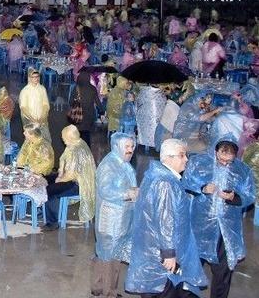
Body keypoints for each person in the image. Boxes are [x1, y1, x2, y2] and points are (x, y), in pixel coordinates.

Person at [126, 138, 208, 297]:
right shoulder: (166, 183)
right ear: (169, 158)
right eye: (182, 155)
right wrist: (169, 253)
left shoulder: (157, 174)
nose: (186, 159)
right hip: (161, 249)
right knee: (163, 288)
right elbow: (165, 221)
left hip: (154, 245)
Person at [182, 136, 255, 298]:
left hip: (226, 230)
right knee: (193, 267)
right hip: (199, 226)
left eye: (229, 161)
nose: (224, 163)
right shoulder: (199, 163)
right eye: (221, 159)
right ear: (215, 151)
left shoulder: (242, 170)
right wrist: (202, 188)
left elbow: (249, 196)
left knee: (223, 271)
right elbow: (185, 183)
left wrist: (233, 198)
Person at [92, 132, 138, 298]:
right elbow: (106, 190)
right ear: (117, 146)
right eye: (127, 147)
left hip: (121, 217)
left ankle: (97, 287)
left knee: (106, 253)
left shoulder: (124, 164)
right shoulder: (109, 165)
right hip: (110, 217)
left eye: (132, 146)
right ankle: (109, 293)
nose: (130, 150)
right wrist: (128, 193)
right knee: (110, 256)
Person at [43, 125, 96, 230]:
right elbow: (63, 160)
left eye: (64, 137)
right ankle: (45, 209)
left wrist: (60, 179)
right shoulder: (76, 143)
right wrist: (60, 174)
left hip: (78, 184)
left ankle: (52, 222)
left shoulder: (77, 150)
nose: (63, 139)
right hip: (73, 178)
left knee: (49, 190)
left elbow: (71, 174)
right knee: (47, 179)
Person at [68, 71, 102, 146]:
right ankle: (87, 153)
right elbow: (98, 102)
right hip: (89, 116)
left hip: (78, 116)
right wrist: (102, 111)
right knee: (87, 136)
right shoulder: (92, 88)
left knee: (77, 136)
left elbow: (70, 101)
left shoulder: (76, 88)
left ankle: (78, 153)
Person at [18, 69, 52, 142]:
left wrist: (42, 117)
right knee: (32, 140)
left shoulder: (42, 89)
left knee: (44, 140)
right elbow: (23, 107)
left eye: (37, 76)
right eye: (33, 77)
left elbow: (46, 104)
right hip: (30, 119)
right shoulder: (25, 91)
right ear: (29, 78)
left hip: (42, 119)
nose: (36, 79)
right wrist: (33, 119)